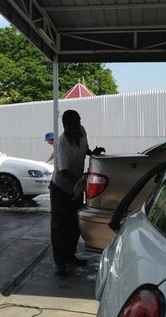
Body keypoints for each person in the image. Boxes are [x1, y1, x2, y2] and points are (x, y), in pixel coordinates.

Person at [49, 110, 105, 276]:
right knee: (60, 226)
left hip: (76, 188)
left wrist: (92, 153)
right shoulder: (62, 144)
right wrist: (82, 182)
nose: (76, 128)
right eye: (72, 126)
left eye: (78, 124)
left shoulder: (82, 131)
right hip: (61, 188)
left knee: (75, 225)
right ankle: (60, 262)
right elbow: (64, 171)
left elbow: (84, 148)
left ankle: (70, 255)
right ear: (65, 126)